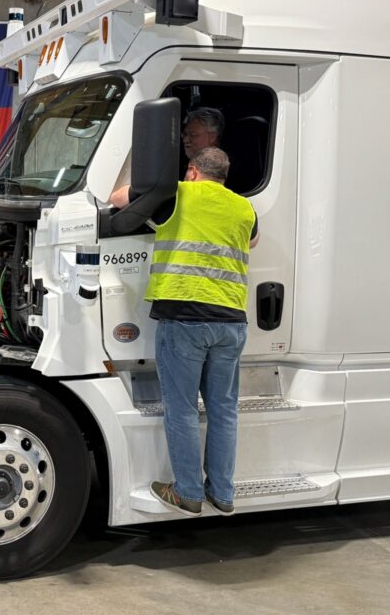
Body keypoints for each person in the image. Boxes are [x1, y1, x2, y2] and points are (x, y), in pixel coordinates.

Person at [111, 147, 258, 517]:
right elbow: (252, 240)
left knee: (182, 409)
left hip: (185, 318)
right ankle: (222, 493)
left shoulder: (176, 194)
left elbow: (116, 199)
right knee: (224, 411)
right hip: (231, 321)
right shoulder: (245, 207)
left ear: (193, 171)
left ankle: (188, 492)